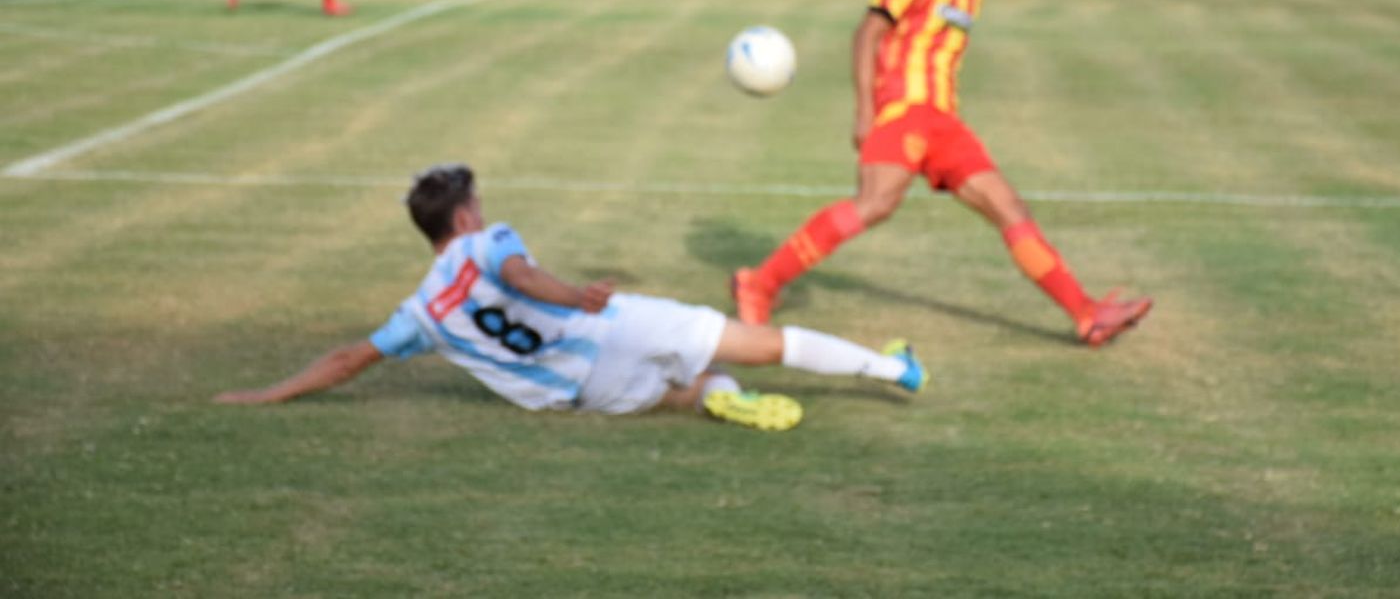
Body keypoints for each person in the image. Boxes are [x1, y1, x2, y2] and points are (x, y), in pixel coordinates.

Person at [731, 0, 1152, 347]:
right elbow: (867, 33)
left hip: (945, 122)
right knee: (874, 204)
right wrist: (865, 111)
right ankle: (759, 283)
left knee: (1009, 207)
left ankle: (1085, 313)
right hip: (902, 111)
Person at [215, 164, 928, 431]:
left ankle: (714, 398)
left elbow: (348, 358)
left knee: (692, 386)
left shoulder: (420, 313)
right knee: (763, 343)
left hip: (574, 394)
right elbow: (522, 278)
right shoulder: (484, 241)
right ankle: (893, 369)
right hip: (606, 330)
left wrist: (263, 395)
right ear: (462, 217)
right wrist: (577, 297)